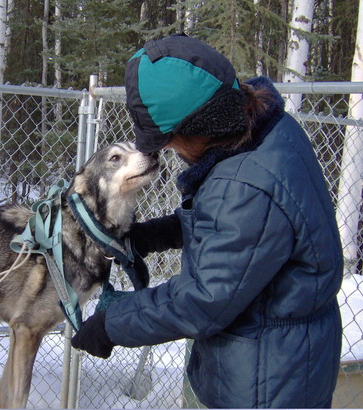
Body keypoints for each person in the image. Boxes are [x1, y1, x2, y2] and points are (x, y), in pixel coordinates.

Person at [71, 34, 343, 408]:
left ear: (202, 125)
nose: (168, 150)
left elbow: (203, 301)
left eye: (170, 139)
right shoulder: (268, 135)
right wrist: (155, 234)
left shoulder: (244, 183)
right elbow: (239, 232)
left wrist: (111, 323)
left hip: (266, 383)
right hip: (269, 359)